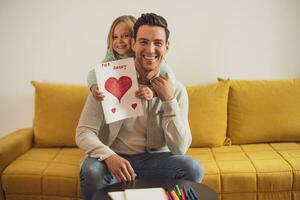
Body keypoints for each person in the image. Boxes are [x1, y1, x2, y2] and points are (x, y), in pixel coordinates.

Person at [76, 13, 204, 200]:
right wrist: (109, 156)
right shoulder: (106, 81)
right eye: (143, 42)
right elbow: (83, 132)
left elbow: (180, 148)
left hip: (156, 161)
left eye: (158, 43)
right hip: (115, 156)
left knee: (193, 168)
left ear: (167, 47)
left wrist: (169, 101)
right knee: (91, 171)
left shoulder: (176, 89)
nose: (150, 49)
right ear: (134, 44)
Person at [87, 15, 176, 101]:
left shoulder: (147, 58)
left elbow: (169, 77)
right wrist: (94, 88)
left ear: (135, 39)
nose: (119, 41)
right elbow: (93, 73)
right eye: (115, 37)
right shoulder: (112, 57)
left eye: (125, 36)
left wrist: (153, 92)